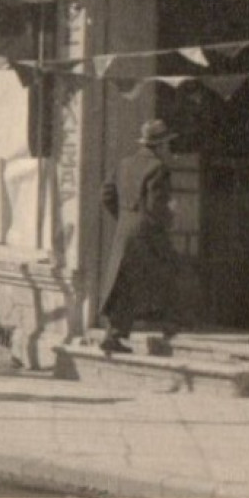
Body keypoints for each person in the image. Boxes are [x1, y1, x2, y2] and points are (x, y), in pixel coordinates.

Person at [98, 118, 183, 355]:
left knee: (124, 282)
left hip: (126, 229)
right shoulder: (158, 168)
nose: (169, 149)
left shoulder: (124, 163)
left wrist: (125, 217)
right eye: (167, 144)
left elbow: (105, 194)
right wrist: (170, 219)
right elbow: (156, 206)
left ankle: (113, 336)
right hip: (147, 232)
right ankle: (170, 328)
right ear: (161, 145)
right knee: (171, 270)